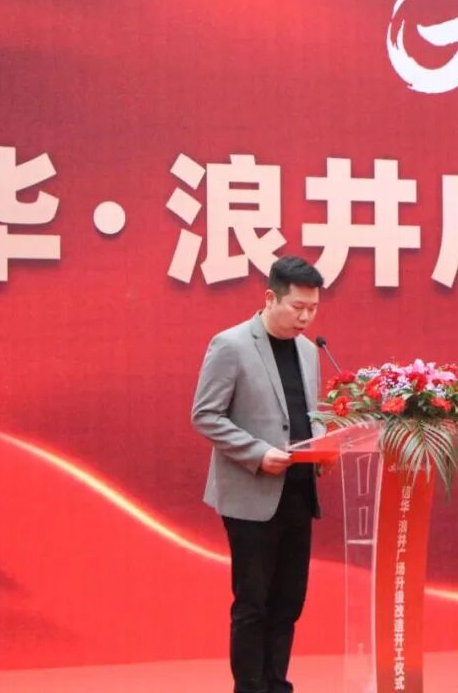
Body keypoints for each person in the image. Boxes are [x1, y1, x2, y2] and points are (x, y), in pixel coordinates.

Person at [191, 255, 327, 693]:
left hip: (299, 491)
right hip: (252, 494)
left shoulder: (308, 351)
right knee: (253, 602)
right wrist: (257, 453)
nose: (305, 318)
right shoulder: (230, 345)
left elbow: (311, 414)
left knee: (289, 601)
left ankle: (277, 684)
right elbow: (205, 415)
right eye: (297, 307)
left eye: (312, 308)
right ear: (270, 298)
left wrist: (324, 443)